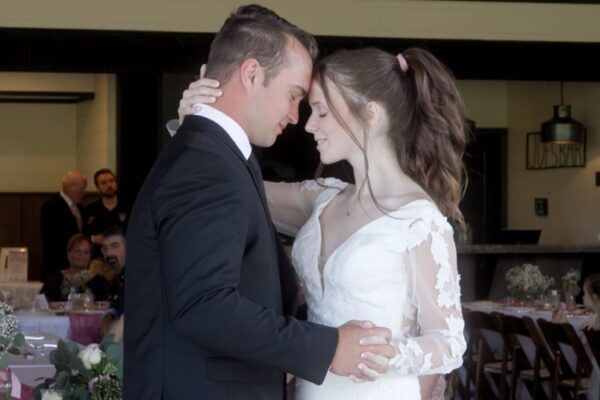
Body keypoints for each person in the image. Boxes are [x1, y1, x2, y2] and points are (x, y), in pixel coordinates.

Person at [125, 5, 396, 400]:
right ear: (252, 74)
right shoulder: (206, 165)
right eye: (294, 95)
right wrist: (327, 349)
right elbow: (204, 304)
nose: (296, 116)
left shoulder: (218, 157)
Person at [178, 46, 468, 399]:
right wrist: (198, 124)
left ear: (370, 114)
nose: (309, 124)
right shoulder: (322, 199)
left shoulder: (418, 220)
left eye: (321, 112)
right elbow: (232, 184)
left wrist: (382, 354)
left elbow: (449, 341)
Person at [40, 170, 87, 280]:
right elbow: (54, 239)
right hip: (57, 269)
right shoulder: (51, 206)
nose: (84, 192)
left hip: (78, 270)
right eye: (81, 188)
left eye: (84, 188)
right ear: (68, 187)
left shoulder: (81, 209)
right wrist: (91, 239)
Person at [40, 233, 111, 302]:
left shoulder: (99, 281)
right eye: (77, 251)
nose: (81, 255)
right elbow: (42, 302)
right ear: (69, 253)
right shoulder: (54, 279)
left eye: (86, 252)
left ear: (90, 257)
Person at [99, 226, 126, 341]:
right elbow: (116, 303)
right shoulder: (121, 275)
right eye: (105, 248)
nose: (109, 253)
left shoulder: (140, 276)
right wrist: (108, 315)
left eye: (115, 246)